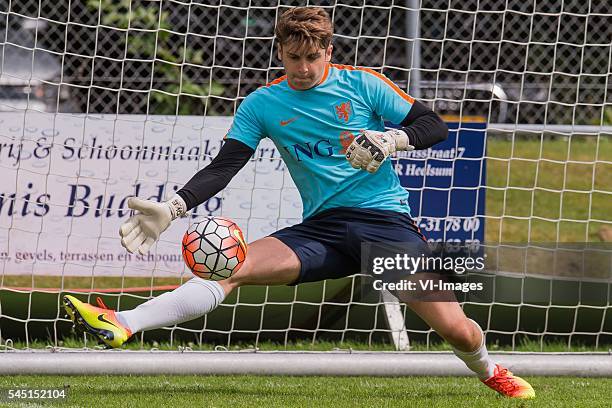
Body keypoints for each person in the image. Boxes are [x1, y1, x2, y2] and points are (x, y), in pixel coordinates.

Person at [63, 7, 534, 399]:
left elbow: (434, 126)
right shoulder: (263, 104)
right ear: (280, 53)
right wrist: (175, 207)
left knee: (458, 331)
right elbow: (225, 165)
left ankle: (490, 370)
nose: (304, 68)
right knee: (228, 267)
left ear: (329, 51)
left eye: (313, 57)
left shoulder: (363, 84)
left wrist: (392, 140)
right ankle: (124, 322)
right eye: (294, 58)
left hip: (386, 226)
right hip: (323, 228)